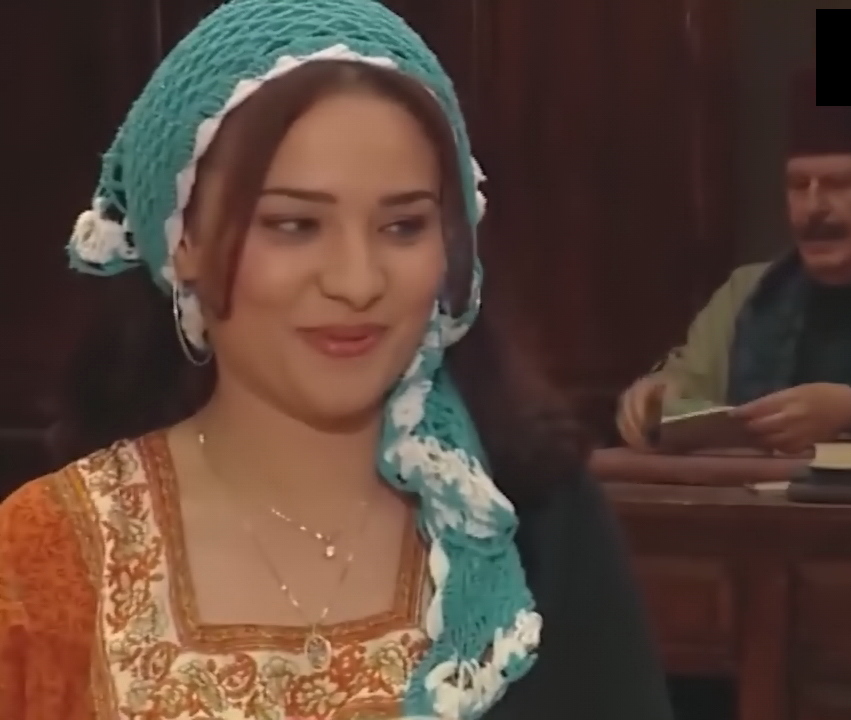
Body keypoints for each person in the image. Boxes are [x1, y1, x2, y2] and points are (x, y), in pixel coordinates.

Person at [0, 1, 675, 718]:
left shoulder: (531, 527)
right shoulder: (54, 552)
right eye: (295, 225)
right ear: (182, 240)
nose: (357, 281)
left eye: (403, 226)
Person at [619, 68, 851, 454]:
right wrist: (653, 401)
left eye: (838, 184)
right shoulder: (745, 294)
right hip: (757, 495)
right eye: (799, 186)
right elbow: (683, 389)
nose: (813, 208)